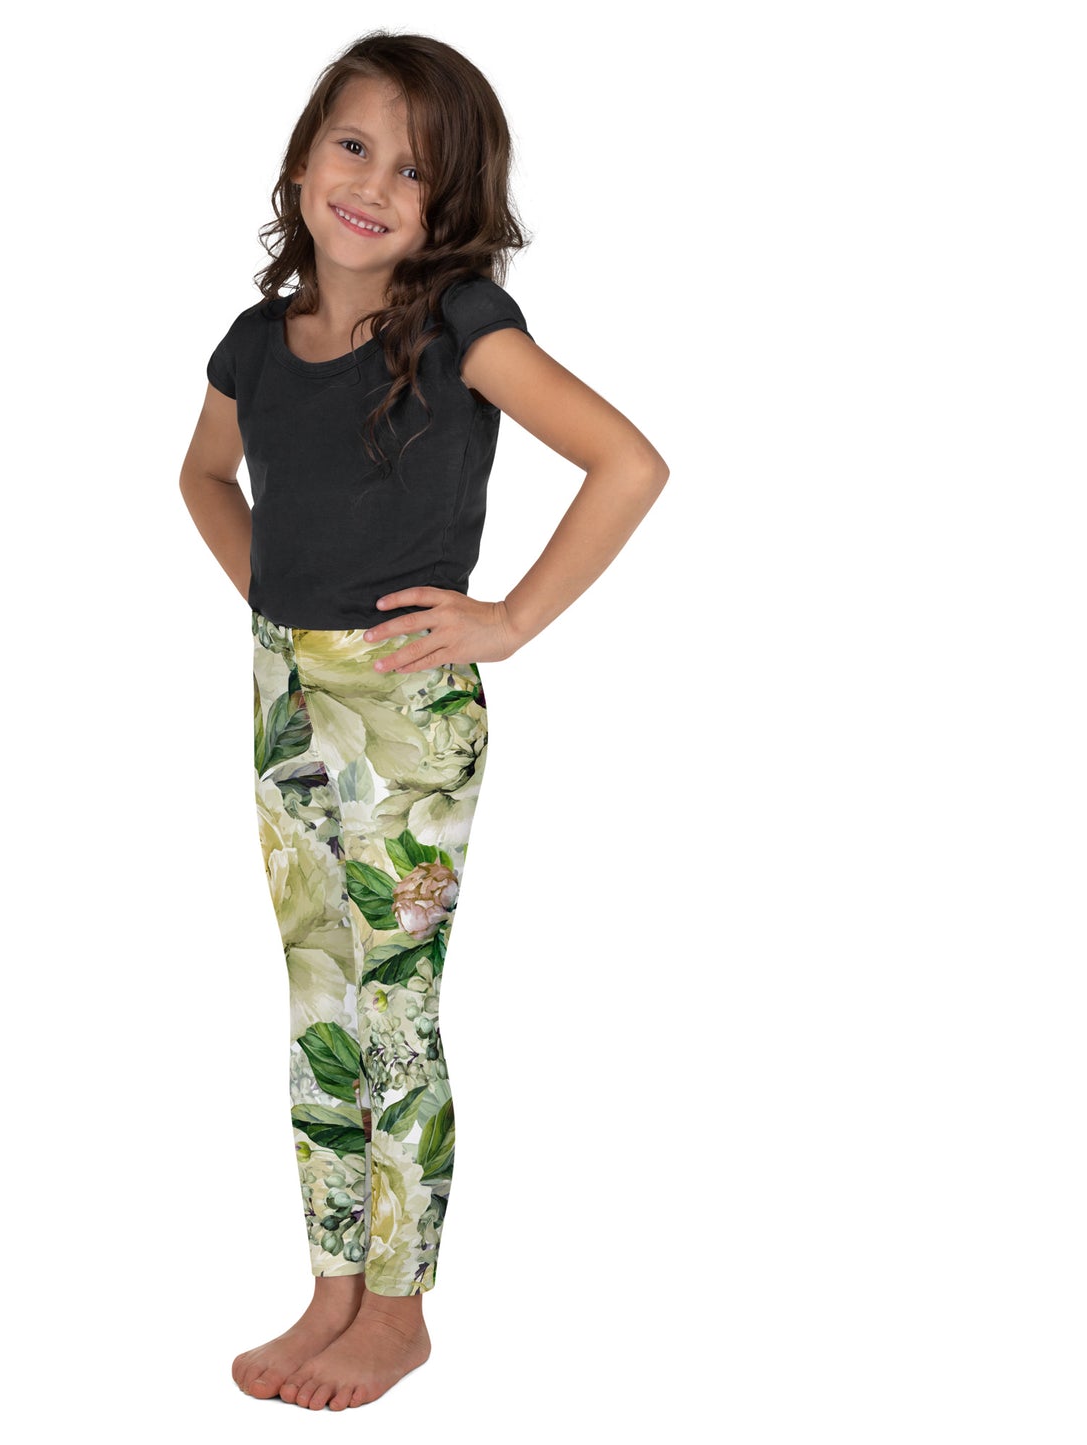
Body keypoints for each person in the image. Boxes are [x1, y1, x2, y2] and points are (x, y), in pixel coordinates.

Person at [179, 31, 670, 1411]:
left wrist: (507, 619)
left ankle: (398, 1308)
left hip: (405, 707)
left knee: (393, 1005)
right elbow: (203, 477)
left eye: (416, 172)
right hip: (284, 689)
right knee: (319, 1000)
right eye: (354, 146)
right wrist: (279, 602)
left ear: (452, 208)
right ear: (301, 158)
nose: (376, 186)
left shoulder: (460, 323)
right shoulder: (254, 344)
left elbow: (627, 462)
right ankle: (331, 1283)